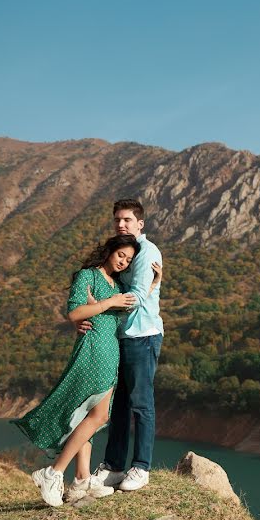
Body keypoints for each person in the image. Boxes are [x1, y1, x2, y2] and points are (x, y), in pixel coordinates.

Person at [12, 233, 161, 506]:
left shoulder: (115, 285)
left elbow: (128, 306)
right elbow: (73, 313)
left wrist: (154, 284)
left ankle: (81, 479)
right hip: (93, 350)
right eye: (120, 255)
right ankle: (53, 472)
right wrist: (104, 305)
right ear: (108, 251)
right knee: (99, 415)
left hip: (110, 351)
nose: (123, 262)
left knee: (89, 415)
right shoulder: (87, 277)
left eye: (128, 260)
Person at [85, 199, 164, 492]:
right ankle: (114, 466)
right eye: (118, 220)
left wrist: (98, 308)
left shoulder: (147, 253)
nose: (121, 224)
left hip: (142, 336)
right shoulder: (122, 252)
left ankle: (141, 467)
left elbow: (136, 298)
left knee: (141, 404)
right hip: (120, 337)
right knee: (118, 406)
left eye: (127, 220)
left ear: (140, 224)